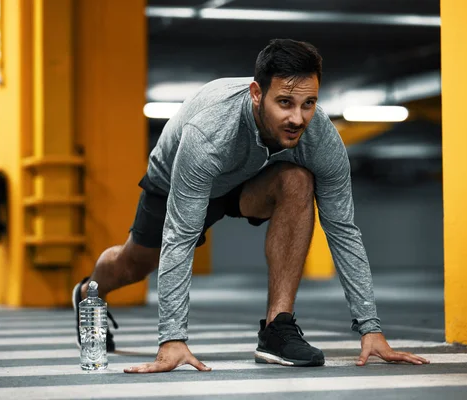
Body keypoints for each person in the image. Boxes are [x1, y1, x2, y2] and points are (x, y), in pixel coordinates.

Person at [72, 38, 430, 373]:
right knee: (135, 263)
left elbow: (343, 230)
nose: (298, 119)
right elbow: (180, 237)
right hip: (179, 179)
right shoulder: (209, 133)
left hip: (251, 177)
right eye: (285, 103)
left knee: (297, 181)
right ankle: (89, 293)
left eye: (309, 104)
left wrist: (371, 328)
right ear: (257, 94)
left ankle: (278, 330)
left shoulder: (319, 138)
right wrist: (172, 338)